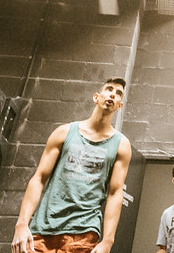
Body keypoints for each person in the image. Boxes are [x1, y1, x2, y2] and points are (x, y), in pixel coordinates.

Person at [12, 78, 133, 253]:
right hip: (43, 229)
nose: (113, 94)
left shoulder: (121, 144)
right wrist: (21, 224)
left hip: (83, 233)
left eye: (118, 93)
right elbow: (39, 178)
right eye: (109, 89)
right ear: (96, 97)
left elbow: (115, 193)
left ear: (119, 106)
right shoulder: (64, 132)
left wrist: (108, 241)